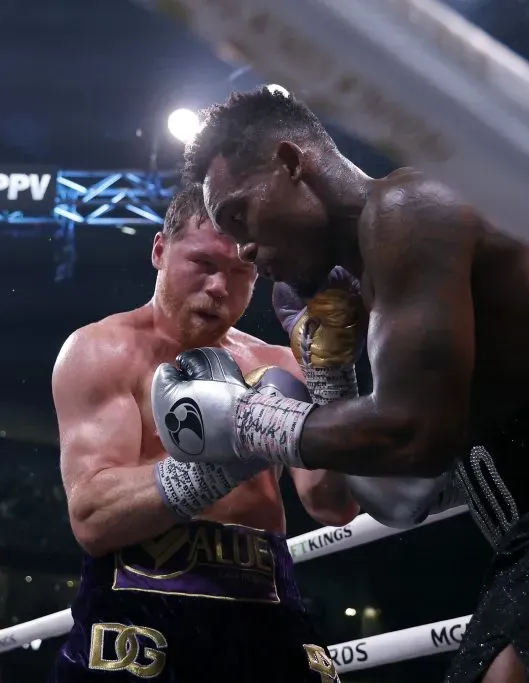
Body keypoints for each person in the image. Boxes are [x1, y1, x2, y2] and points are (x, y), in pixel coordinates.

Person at [151, 87, 529, 683]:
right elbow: (400, 498)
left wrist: (248, 422)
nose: (244, 248)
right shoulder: (377, 279)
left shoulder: (410, 207)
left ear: (290, 161)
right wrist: (329, 371)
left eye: (238, 215)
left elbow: (413, 436)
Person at [49, 182, 357, 683]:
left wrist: (333, 375)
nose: (219, 287)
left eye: (240, 272)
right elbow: (93, 518)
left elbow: (334, 504)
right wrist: (234, 448)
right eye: (204, 265)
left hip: (264, 597)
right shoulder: (100, 351)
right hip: (138, 600)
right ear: (159, 250)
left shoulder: (280, 363)